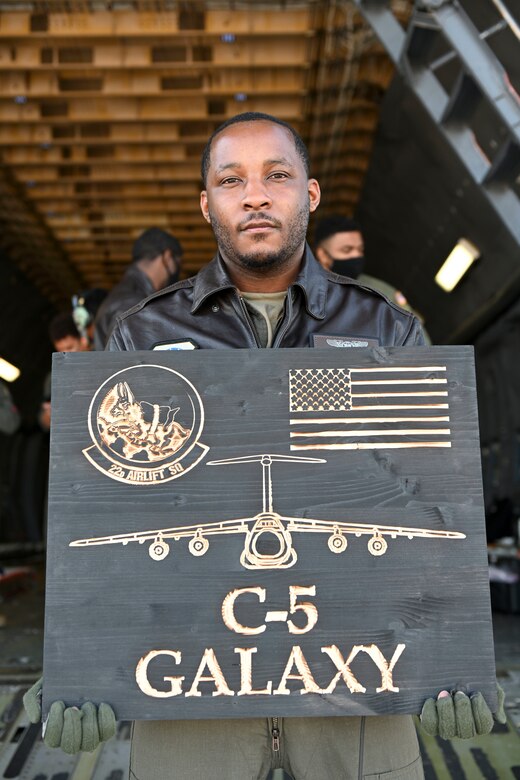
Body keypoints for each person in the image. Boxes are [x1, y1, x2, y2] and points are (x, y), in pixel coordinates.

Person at [24, 112, 504, 777]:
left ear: (308, 195)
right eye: (231, 180)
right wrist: (84, 669)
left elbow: (433, 508)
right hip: (191, 687)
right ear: (206, 203)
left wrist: (453, 660)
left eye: (276, 175)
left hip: (359, 681)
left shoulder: (386, 328)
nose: (255, 195)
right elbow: (102, 513)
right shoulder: (140, 336)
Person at [314, 214, 431, 342]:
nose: (356, 255)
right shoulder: (306, 292)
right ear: (323, 255)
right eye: (347, 250)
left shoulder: (381, 291)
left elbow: (414, 331)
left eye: (360, 250)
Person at [93, 228, 183, 350]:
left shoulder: (124, 295)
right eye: (177, 263)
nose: (178, 270)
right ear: (167, 257)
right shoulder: (134, 304)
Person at [39, 313, 90, 432]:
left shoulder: (105, 354)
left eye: (70, 347)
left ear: (83, 339)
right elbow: (43, 422)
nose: (66, 355)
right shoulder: (54, 377)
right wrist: (49, 414)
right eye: (61, 351)